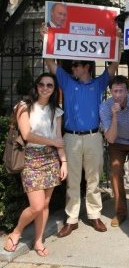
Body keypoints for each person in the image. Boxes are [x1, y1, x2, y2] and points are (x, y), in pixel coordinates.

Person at [44, 58, 119, 237]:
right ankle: (72, 219)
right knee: (73, 180)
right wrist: (45, 39)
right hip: (71, 137)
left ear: (86, 67)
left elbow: (114, 65)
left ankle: (94, 214)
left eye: (77, 65)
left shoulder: (99, 83)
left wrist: (118, 43)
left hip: (93, 137)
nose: (73, 67)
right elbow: (49, 62)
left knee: (94, 179)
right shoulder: (68, 81)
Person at [3, 73, 67, 257]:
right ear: (36, 86)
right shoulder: (24, 106)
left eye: (50, 85)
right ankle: (16, 232)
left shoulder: (57, 111)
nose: (45, 88)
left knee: (45, 204)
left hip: (50, 159)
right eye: (42, 84)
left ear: (54, 90)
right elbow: (27, 134)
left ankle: (38, 240)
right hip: (30, 158)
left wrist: (64, 162)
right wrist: (52, 142)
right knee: (37, 206)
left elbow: (58, 139)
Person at [99, 75, 129, 228]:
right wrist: (115, 114)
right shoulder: (105, 106)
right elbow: (111, 139)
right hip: (117, 141)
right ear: (110, 91)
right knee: (115, 172)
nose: (118, 95)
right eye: (115, 91)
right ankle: (121, 213)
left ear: (127, 91)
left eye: (121, 91)